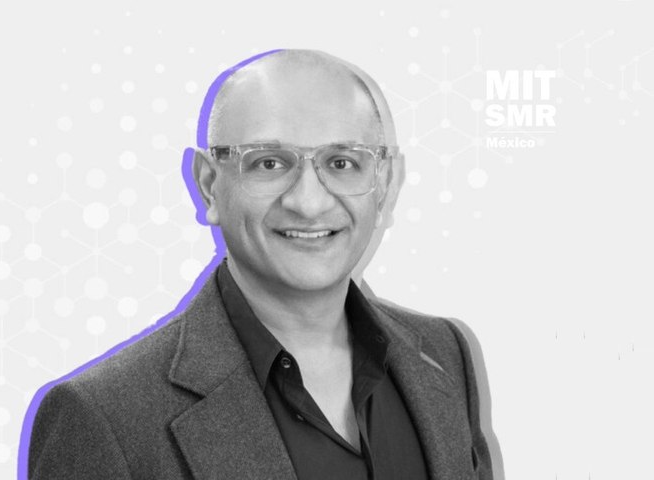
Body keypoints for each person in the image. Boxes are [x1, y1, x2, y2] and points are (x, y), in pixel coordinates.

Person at [26, 49, 495, 480]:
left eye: (341, 162)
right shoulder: (103, 419)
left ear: (384, 184)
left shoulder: (445, 355)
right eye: (269, 163)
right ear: (209, 185)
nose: (309, 203)